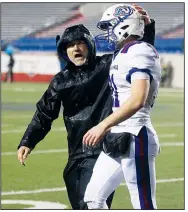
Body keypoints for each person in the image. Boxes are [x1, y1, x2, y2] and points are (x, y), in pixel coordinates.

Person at [17, 4, 156, 210]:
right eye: (70, 45)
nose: (75, 48)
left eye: (80, 42)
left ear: (89, 45)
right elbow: (44, 113)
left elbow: (136, 53)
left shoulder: (108, 65)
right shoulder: (60, 81)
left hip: (106, 146)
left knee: (90, 203)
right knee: (86, 203)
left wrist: (146, 26)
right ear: (64, 51)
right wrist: (28, 140)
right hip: (76, 152)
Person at [83, 4, 161, 210]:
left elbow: (138, 99)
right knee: (94, 198)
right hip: (118, 133)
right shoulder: (126, 51)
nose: (107, 33)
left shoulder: (140, 51)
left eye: (110, 26)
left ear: (124, 26)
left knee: (144, 204)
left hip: (136, 135)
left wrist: (102, 125)